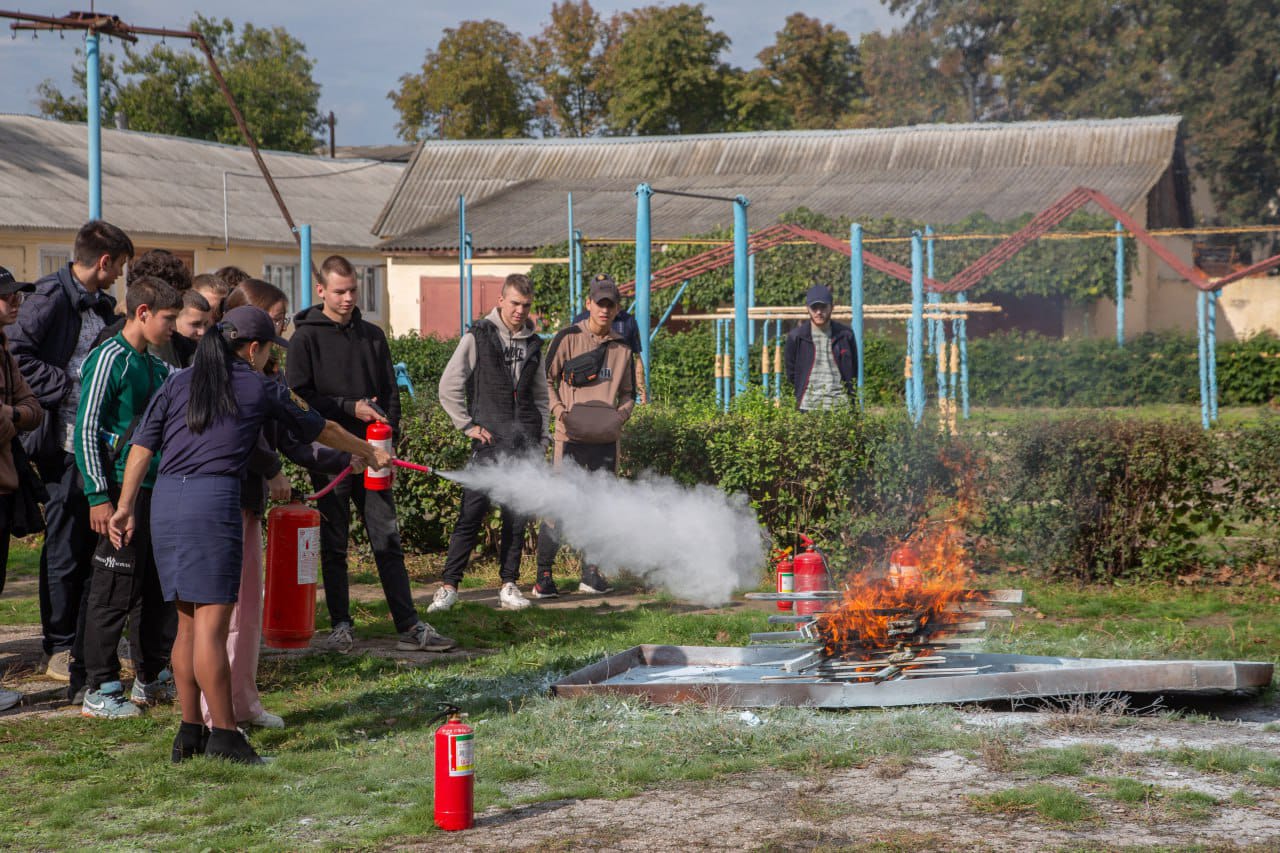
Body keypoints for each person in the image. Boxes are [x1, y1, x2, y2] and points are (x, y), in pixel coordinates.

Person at [107, 306, 393, 764]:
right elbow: (325, 427)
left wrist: (124, 507)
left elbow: (142, 445)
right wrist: (368, 452)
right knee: (213, 628)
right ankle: (225, 736)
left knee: (186, 622)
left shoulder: (179, 381)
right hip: (213, 501)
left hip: (166, 503)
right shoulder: (259, 385)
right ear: (254, 348)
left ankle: (190, 732)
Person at [199, 278, 346, 731]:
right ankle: (213, 714)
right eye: (278, 319)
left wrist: (346, 459)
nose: (284, 329)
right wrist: (270, 470)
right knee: (222, 614)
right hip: (223, 500)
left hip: (248, 502)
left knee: (248, 608)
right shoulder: (219, 375)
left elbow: (294, 437)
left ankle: (244, 701)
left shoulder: (267, 375)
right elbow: (243, 439)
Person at [286, 255, 447, 653]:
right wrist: (347, 407)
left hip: (375, 456)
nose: (348, 298)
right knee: (335, 543)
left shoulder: (373, 335)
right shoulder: (305, 339)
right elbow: (298, 399)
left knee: (386, 537)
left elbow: (391, 392)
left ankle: (409, 623)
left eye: (353, 290)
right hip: (333, 456)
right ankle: (341, 623)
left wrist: (388, 436)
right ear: (321, 290)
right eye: (340, 291)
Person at [8, 220, 130, 684]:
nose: (119, 274)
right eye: (118, 265)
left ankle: (87, 638)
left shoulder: (99, 304)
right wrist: (76, 381)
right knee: (63, 546)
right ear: (103, 261)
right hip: (59, 447)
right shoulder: (49, 298)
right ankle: (58, 644)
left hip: (96, 443)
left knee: (92, 545)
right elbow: (18, 360)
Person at [74, 276, 180, 718]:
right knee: (113, 587)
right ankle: (98, 686)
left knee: (153, 589)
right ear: (142, 314)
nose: (173, 329)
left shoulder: (155, 366)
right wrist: (100, 496)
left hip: (153, 493)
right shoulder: (108, 359)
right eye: (169, 320)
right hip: (117, 494)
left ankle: (149, 675)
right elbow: (84, 430)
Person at [434, 273, 548, 612]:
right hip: (489, 443)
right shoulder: (478, 336)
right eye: (514, 303)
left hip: (524, 445)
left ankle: (509, 585)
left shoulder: (534, 343)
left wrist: (541, 438)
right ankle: (448, 586)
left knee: (516, 516)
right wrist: (466, 425)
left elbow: (541, 396)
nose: (519, 311)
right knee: (471, 514)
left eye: (526, 305)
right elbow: (448, 385)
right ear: (500, 300)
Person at [536, 275, 636, 596]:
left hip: (606, 441)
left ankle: (590, 574)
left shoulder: (622, 347)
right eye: (599, 303)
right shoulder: (566, 338)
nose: (604, 309)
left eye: (611, 304)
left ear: (617, 308)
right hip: (570, 440)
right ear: (588, 304)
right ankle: (544, 577)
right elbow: (544, 381)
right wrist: (560, 413)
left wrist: (620, 417)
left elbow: (630, 392)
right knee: (559, 506)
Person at [570, 274, 648, 403]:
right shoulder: (579, 321)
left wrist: (641, 390)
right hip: (589, 387)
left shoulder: (628, 321)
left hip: (620, 388)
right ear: (589, 301)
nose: (604, 309)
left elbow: (636, 357)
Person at [783, 284, 857, 411]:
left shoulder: (845, 335)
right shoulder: (796, 337)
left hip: (841, 406)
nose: (818, 312)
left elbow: (853, 370)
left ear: (832, 307)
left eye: (823, 307)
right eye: (814, 307)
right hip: (807, 407)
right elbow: (791, 374)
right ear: (807, 308)